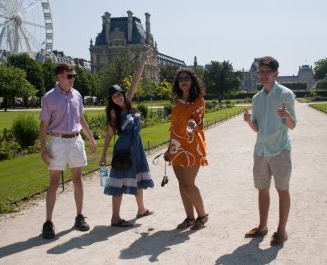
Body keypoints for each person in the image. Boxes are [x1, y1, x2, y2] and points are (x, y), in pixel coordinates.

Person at [39, 63, 97, 239]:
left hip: (76, 139)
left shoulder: (77, 95)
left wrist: (91, 138)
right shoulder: (49, 98)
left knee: (78, 180)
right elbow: (44, 125)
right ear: (60, 76)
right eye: (70, 76)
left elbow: (80, 118)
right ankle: (48, 222)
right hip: (58, 141)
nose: (73, 79)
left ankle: (79, 216)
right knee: (54, 183)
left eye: (74, 76)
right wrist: (42, 148)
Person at [243, 56, 297, 246]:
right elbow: (257, 128)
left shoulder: (286, 94)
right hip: (261, 151)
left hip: (280, 150)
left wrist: (287, 115)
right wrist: (249, 121)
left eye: (267, 72)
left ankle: (281, 231)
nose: (263, 75)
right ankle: (262, 227)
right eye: (261, 72)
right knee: (262, 190)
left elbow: (293, 125)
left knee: (282, 190)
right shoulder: (256, 98)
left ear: (275, 73)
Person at [99, 51, 154, 227]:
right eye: (114, 96)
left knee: (138, 178)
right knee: (118, 182)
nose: (118, 97)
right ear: (111, 100)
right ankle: (115, 217)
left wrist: (143, 61)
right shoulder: (114, 113)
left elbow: (136, 80)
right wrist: (103, 155)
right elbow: (108, 135)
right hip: (124, 149)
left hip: (136, 147)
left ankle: (141, 209)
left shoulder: (128, 103)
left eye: (119, 94)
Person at [164, 68, 209, 230]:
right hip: (177, 146)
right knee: (182, 184)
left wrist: (194, 125)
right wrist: (169, 148)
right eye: (181, 79)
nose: (183, 81)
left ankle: (202, 216)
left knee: (189, 184)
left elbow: (200, 123)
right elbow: (173, 127)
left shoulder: (198, 101)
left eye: (187, 79)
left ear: (192, 81)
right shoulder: (177, 101)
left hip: (191, 146)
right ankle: (190, 218)